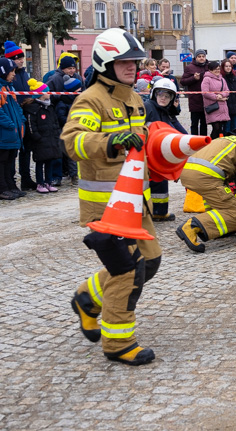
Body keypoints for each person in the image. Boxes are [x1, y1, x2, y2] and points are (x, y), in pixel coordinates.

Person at [63, 28, 158, 366]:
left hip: (136, 203)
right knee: (128, 270)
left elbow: (142, 144)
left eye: (135, 61)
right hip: (107, 207)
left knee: (150, 263)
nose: (133, 67)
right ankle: (118, 342)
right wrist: (111, 141)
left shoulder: (133, 98)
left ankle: (88, 298)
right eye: (124, 62)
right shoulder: (90, 99)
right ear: (105, 64)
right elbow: (73, 141)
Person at [177, 126, 236, 253]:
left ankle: (215, 229)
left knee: (219, 200)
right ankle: (192, 226)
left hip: (188, 173)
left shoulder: (223, 140)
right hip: (205, 177)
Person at [144, 78, 187, 222]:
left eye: (167, 96)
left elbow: (181, 134)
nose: (163, 98)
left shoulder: (167, 112)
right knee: (146, 184)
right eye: (161, 94)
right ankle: (143, 213)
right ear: (154, 94)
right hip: (145, 155)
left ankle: (159, 212)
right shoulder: (147, 107)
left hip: (158, 156)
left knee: (160, 182)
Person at [46, 55, 83, 186]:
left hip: (75, 116)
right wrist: (61, 97)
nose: (72, 71)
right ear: (63, 68)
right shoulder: (54, 79)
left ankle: (73, 173)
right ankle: (59, 175)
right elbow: (48, 96)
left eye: (73, 68)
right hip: (59, 117)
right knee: (59, 149)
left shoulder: (77, 78)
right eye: (69, 68)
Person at [22, 80, 62, 194]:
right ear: (40, 94)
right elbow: (31, 125)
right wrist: (37, 137)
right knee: (40, 162)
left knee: (50, 161)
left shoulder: (50, 107)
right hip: (40, 141)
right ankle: (40, 183)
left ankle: (48, 181)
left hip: (50, 138)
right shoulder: (32, 108)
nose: (49, 93)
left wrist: (56, 134)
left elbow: (55, 121)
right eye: (46, 91)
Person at [5, 41, 35, 190]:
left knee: (26, 149)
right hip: (14, 116)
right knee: (12, 152)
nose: (21, 60)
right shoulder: (9, 76)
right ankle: (10, 180)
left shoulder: (23, 73)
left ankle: (26, 178)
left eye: (22, 58)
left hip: (26, 115)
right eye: (18, 58)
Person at [0, 57, 25, 200]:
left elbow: (17, 107)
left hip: (13, 132)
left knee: (10, 160)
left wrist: (20, 121)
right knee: (2, 161)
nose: (14, 74)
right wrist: (10, 124)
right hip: (4, 133)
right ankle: (3, 188)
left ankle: (11, 185)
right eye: (11, 71)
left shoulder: (10, 88)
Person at [181, 49, 209, 136]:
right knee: (195, 123)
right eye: (199, 56)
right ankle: (193, 140)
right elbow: (183, 81)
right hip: (195, 100)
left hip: (206, 99)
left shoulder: (209, 66)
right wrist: (193, 78)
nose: (201, 58)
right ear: (196, 57)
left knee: (204, 123)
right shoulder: (190, 67)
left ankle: (204, 141)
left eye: (203, 56)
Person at [201, 60, 230, 138]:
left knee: (220, 128)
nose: (217, 70)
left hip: (222, 106)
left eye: (218, 69)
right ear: (210, 70)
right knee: (216, 128)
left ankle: (218, 144)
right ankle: (212, 143)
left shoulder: (222, 79)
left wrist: (221, 95)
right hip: (213, 106)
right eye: (215, 69)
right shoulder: (207, 79)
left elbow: (227, 91)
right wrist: (216, 97)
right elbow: (205, 92)